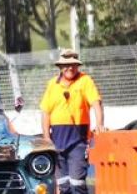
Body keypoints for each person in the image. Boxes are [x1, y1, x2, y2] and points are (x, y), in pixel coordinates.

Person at [39, 49, 105, 194]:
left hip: (78, 141)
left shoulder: (85, 80)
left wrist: (99, 124)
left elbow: (96, 103)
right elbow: (45, 112)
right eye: (67, 65)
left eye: (74, 65)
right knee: (63, 186)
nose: (70, 68)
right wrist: (46, 137)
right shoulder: (52, 84)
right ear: (60, 67)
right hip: (57, 141)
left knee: (77, 184)